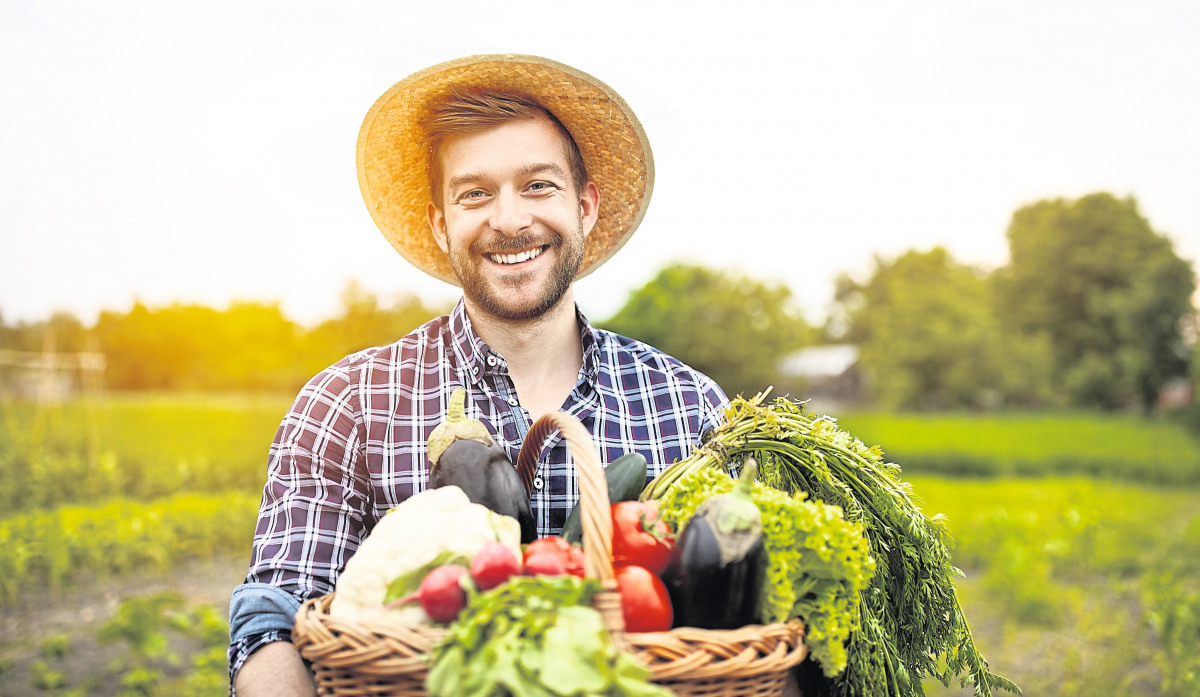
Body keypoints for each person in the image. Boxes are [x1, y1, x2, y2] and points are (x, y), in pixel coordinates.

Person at [227, 54, 729, 696]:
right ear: (442, 225)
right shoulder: (346, 404)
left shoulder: (692, 406)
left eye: (538, 186)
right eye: (475, 193)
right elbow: (275, 615)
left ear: (586, 206)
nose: (510, 219)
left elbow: (748, 623)